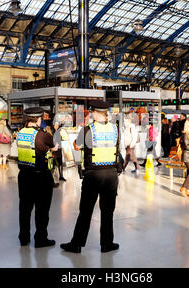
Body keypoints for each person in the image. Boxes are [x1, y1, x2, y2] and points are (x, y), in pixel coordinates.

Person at [61, 100, 121, 254]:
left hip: (93, 175)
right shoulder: (115, 129)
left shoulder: (88, 130)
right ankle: (107, 244)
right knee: (108, 211)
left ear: (94, 113)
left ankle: (77, 244)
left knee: (86, 211)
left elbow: (76, 146)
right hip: (111, 174)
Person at [17, 107, 58, 247]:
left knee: (24, 208)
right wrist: (53, 148)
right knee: (42, 209)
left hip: (23, 175)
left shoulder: (20, 133)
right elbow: (53, 146)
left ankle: (24, 237)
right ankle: (41, 238)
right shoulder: (43, 135)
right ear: (39, 119)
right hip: (40, 177)